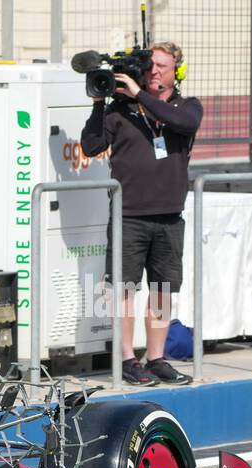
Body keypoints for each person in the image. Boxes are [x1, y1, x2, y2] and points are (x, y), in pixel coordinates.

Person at [81, 41, 203, 386]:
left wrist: (140, 95)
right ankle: (126, 359)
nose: (154, 71)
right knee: (122, 290)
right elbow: (91, 146)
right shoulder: (120, 110)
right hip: (128, 214)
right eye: (151, 65)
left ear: (177, 71)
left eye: (162, 66)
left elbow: (180, 122)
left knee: (162, 290)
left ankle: (157, 358)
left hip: (168, 216)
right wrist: (98, 104)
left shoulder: (186, 106)